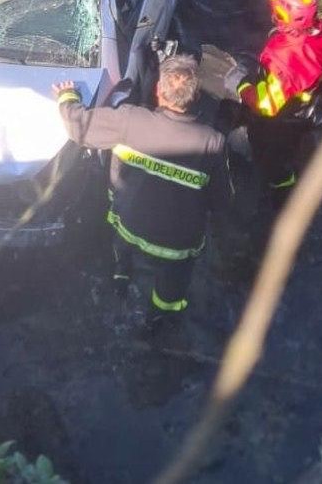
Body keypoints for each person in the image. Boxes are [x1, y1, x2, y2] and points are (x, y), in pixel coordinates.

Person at [53, 55, 225, 325]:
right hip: (176, 244)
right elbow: (222, 200)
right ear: (195, 96)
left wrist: (67, 97)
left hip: (129, 223)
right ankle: (161, 317)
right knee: (172, 282)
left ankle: (120, 276)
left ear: (158, 90)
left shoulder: (130, 120)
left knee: (122, 246)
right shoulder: (212, 142)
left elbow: (79, 127)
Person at [229, 0, 322, 199]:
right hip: (309, 98)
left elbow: (267, 106)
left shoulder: (281, 59)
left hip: (284, 115)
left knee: (272, 155)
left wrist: (241, 86)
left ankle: (280, 190)